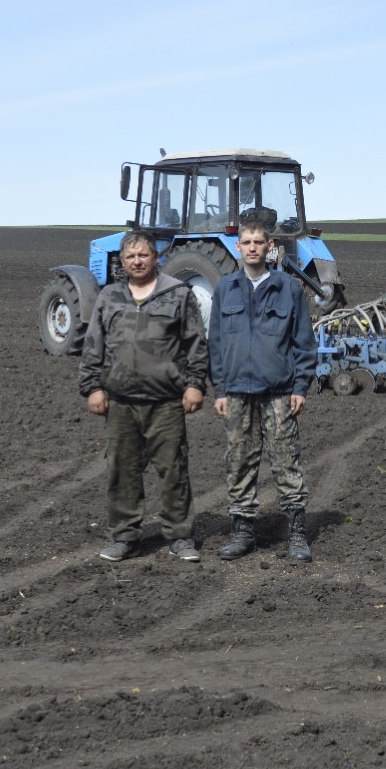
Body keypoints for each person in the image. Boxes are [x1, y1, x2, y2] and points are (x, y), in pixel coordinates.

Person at [78, 231, 208, 562]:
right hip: (120, 401)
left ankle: (179, 536)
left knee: (174, 470)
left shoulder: (177, 293)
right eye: (131, 257)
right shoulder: (109, 296)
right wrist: (93, 387)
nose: (137, 261)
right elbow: (93, 345)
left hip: (166, 401)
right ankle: (125, 537)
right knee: (122, 470)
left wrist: (195, 384)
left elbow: (195, 343)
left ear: (156, 258)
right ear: (122, 262)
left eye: (143, 255)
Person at [208, 216, 317, 562]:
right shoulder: (225, 289)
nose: (252, 248)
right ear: (237, 247)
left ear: (269, 247)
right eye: (247, 242)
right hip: (237, 392)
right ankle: (243, 532)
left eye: (259, 242)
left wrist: (300, 386)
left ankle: (297, 534)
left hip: (280, 391)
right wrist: (220, 389)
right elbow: (216, 343)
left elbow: (303, 341)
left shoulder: (289, 288)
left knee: (286, 461)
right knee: (239, 462)